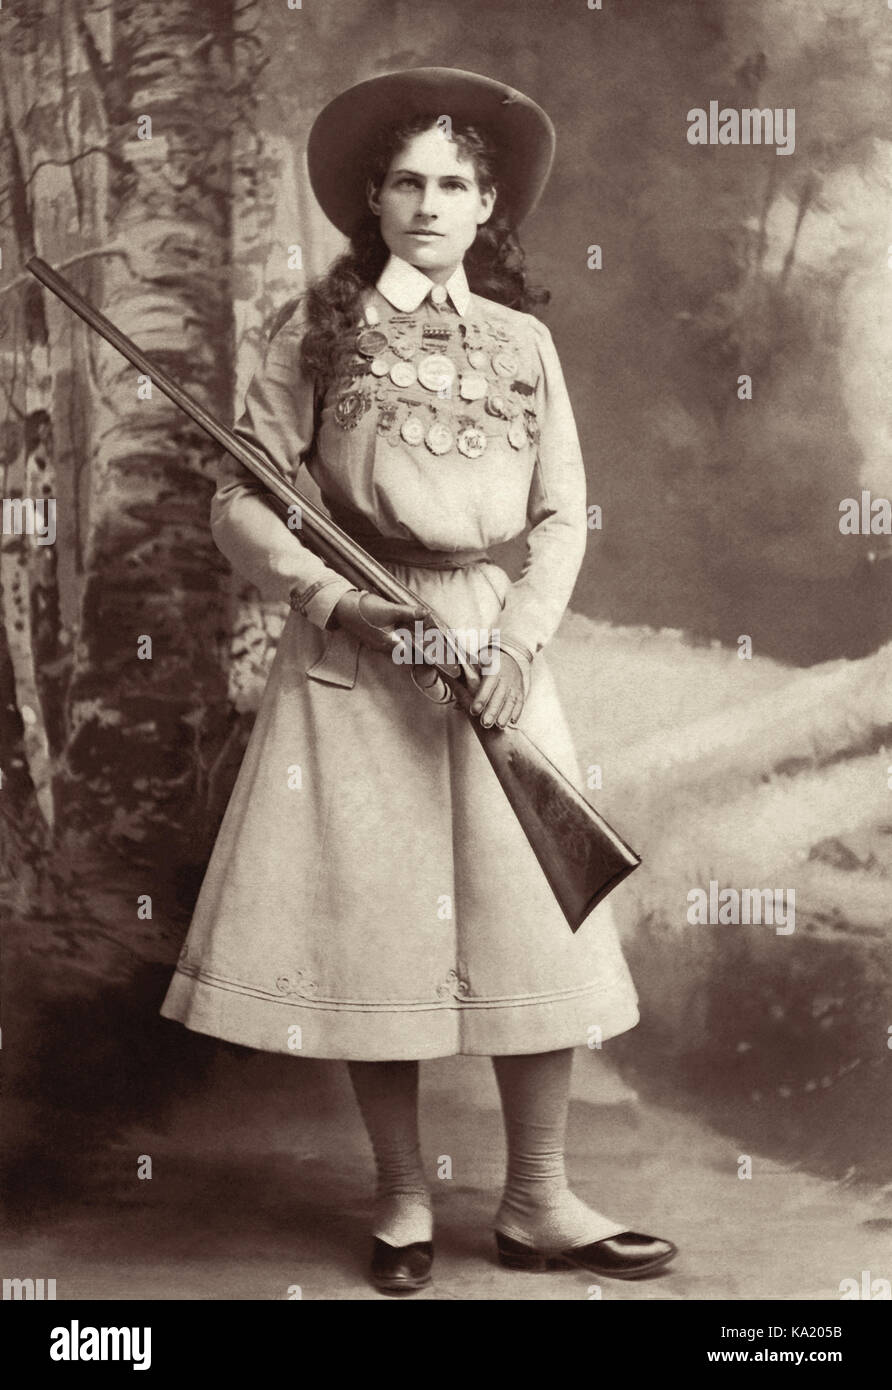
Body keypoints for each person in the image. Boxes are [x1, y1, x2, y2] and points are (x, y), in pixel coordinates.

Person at [160, 67, 677, 1295]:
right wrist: (340, 602)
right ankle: (400, 1199)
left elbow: (560, 516)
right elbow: (240, 503)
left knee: (531, 918)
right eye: (406, 182)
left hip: (490, 645)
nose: (429, 204)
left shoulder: (523, 342)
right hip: (356, 647)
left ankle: (537, 1200)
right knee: (375, 926)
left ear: (487, 203)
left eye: (453, 184)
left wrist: (516, 646)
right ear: (373, 201)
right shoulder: (311, 332)